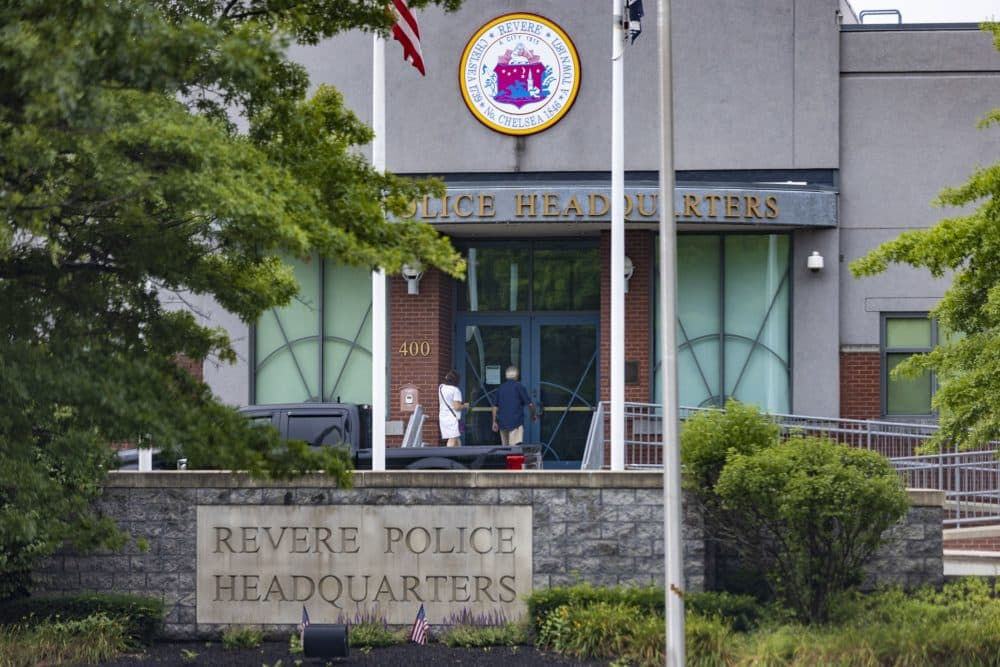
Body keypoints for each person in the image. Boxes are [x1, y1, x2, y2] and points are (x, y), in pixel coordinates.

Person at [492, 365, 537, 445]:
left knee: (505, 449)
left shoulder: (501, 388)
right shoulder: (519, 386)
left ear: (506, 376)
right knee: (514, 450)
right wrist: (533, 415)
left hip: (502, 423)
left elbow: (495, 407)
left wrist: (494, 422)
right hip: (515, 423)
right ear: (516, 376)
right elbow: (529, 404)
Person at [438, 369, 469, 447]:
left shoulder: (441, 388)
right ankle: (449, 455)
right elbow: (457, 407)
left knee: (457, 438)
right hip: (452, 419)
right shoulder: (455, 390)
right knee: (452, 439)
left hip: (443, 416)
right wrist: (465, 405)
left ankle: (460, 454)